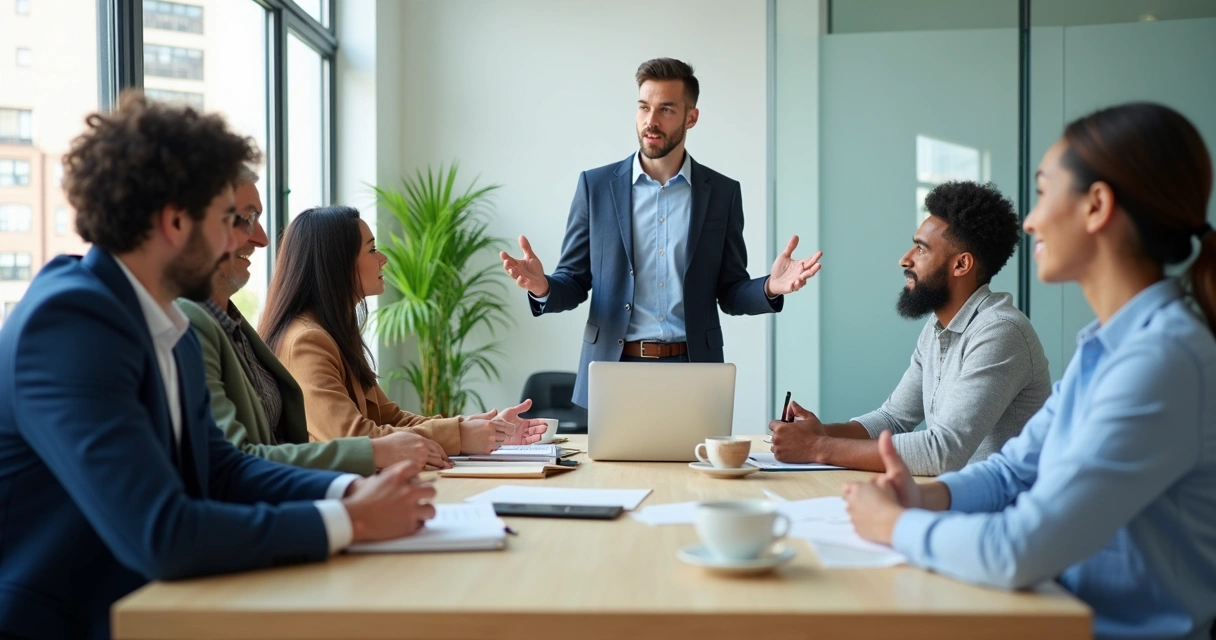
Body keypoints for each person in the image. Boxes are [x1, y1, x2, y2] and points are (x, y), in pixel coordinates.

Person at [0, 93, 435, 640]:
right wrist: (351, 521)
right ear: (176, 222)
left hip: (167, 605)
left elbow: (223, 469)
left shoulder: (170, 324)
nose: (246, 239)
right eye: (232, 219)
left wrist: (348, 494)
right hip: (76, 620)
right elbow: (161, 532)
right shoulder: (70, 323)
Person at [843, 102, 1216, 640]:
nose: (1033, 220)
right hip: (1054, 612)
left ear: (1097, 206)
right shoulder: (1107, 348)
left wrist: (896, 525)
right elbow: (1012, 472)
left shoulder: (1162, 361)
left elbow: (1020, 548)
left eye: (1044, 192)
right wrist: (922, 497)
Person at [499, 58, 822, 407]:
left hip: (693, 368)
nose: (650, 121)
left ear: (691, 117)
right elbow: (574, 281)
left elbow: (729, 291)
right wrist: (542, 287)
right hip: (614, 368)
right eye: (643, 107)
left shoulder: (722, 194)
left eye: (666, 109)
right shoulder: (596, 187)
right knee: (613, 464)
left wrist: (769, 287)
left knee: (692, 463)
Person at [176, 168, 447, 474]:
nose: (263, 239)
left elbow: (388, 419)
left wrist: (470, 430)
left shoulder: (236, 328)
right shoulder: (303, 338)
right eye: (245, 218)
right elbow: (237, 462)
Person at [770, 181, 1051, 475]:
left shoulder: (1000, 332)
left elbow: (943, 452)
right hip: (955, 500)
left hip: (1002, 511)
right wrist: (820, 433)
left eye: (921, 249)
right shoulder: (937, 328)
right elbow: (893, 419)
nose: (905, 259)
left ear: (961, 265)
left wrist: (818, 448)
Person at [260, 206, 547, 454]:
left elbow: (390, 419)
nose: (382, 258)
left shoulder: (332, 333)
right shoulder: (306, 341)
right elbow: (354, 439)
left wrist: (477, 428)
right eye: (372, 250)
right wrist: (460, 437)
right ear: (337, 263)